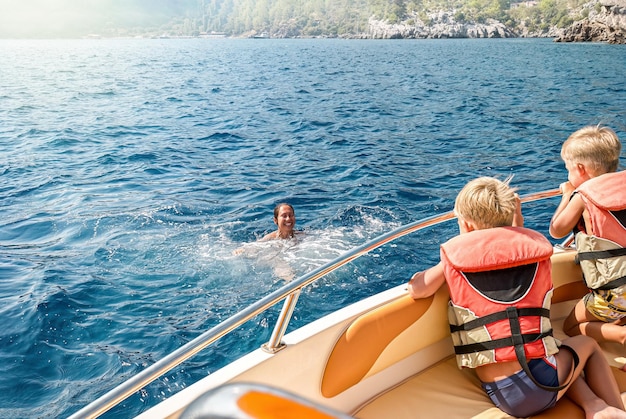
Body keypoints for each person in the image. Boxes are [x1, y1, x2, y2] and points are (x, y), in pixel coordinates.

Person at [407, 176, 625, 418]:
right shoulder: (536, 254)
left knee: (557, 351)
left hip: (504, 394)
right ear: (511, 215)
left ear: (466, 224)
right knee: (587, 346)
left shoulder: (453, 259)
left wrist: (460, 243)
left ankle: (595, 405)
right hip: (546, 382)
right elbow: (518, 240)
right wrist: (517, 220)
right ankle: (613, 409)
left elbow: (419, 289)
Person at [548, 126, 626, 355]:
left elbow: (556, 230)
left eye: (568, 169)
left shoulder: (584, 196)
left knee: (569, 327)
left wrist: (567, 195)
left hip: (617, 294)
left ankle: (621, 335)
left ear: (580, 169)